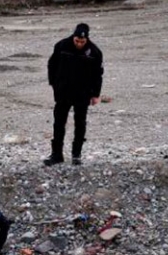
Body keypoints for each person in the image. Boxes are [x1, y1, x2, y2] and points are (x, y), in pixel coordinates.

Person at [45, 23, 104, 166]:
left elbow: (98, 75)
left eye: (82, 42)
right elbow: (51, 65)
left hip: (82, 94)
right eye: (77, 41)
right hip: (63, 92)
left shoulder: (94, 52)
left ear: (87, 39)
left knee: (80, 124)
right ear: (74, 36)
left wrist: (96, 94)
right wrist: (54, 84)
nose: (79, 44)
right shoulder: (61, 46)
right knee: (58, 124)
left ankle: (76, 155)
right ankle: (57, 154)